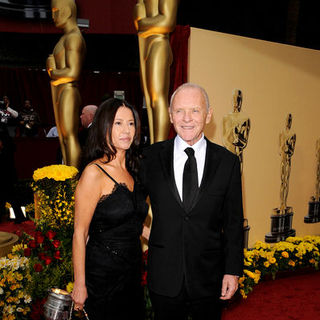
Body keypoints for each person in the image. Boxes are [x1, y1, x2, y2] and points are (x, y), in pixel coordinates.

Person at [140, 83, 244, 320]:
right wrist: (149, 233)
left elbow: (233, 222)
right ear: (170, 115)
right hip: (164, 276)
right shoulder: (150, 157)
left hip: (209, 278)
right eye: (179, 111)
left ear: (208, 115)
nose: (187, 118)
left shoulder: (227, 163)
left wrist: (232, 271)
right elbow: (131, 205)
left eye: (195, 110)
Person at [71, 98, 148, 320]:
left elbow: (134, 223)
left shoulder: (135, 169)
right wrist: (80, 283)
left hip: (131, 272)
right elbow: (80, 233)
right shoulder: (94, 173)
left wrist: (165, 242)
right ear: (104, 126)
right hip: (102, 275)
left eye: (131, 123)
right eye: (118, 123)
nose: (127, 130)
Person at [46, 0, 86, 168]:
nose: (54, 15)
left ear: (68, 11)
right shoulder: (66, 38)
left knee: (69, 137)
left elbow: (72, 72)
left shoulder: (74, 37)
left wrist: (52, 71)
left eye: (57, 11)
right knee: (64, 138)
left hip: (68, 90)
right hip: (61, 90)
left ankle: (73, 177)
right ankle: (67, 177)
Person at [133, 0, 178, 144]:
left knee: (158, 99)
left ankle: (159, 146)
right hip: (146, 44)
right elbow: (138, 23)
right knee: (150, 100)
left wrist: (143, 24)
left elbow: (167, 22)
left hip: (159, 43)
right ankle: (154, 145)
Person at [222, 89, 250, 174]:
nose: (236, 101)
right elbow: (224, 140)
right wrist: (232, 132)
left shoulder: (245, 119)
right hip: (228, 155)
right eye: (234, 98)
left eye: (238, 98)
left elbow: (244, 142)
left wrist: (238, 138)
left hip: (238, 155)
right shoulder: (226, 118)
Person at [279, 113, 296, 214]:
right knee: (282, 181)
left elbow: (292, 149)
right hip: (283, 158)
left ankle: (284, 203)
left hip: (288, 158)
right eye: (287, 120)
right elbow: (279, 148)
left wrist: (287, 149)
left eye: (290, 120)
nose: (288, 122)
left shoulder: (293, 134)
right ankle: (281, 203)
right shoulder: (282, 133)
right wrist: (284, 149)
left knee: (286, 180)